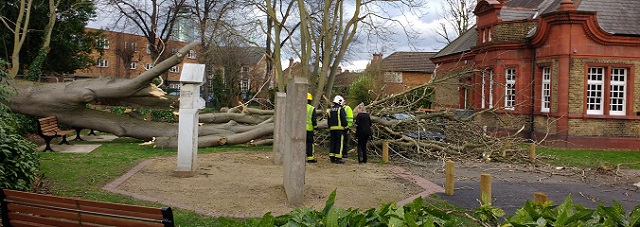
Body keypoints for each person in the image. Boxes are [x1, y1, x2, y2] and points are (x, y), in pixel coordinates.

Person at [328, 95, 347, 164]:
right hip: (340, 129)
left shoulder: (330, 109)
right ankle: (338, 158)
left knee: (333, 142)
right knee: (339, 143)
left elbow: (328, 120)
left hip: (332, 129)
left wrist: (330, 127)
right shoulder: (340, 109)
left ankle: (332, 157)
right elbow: (343, 119)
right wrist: (346, 127)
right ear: (339, 101)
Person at [306, 93, 318, 163]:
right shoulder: (312, 108)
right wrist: (315, 128)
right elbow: (314, 120)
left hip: (300, 130)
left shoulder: (299, 107)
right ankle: (310, 158)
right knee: (310, 143)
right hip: (309, 129)